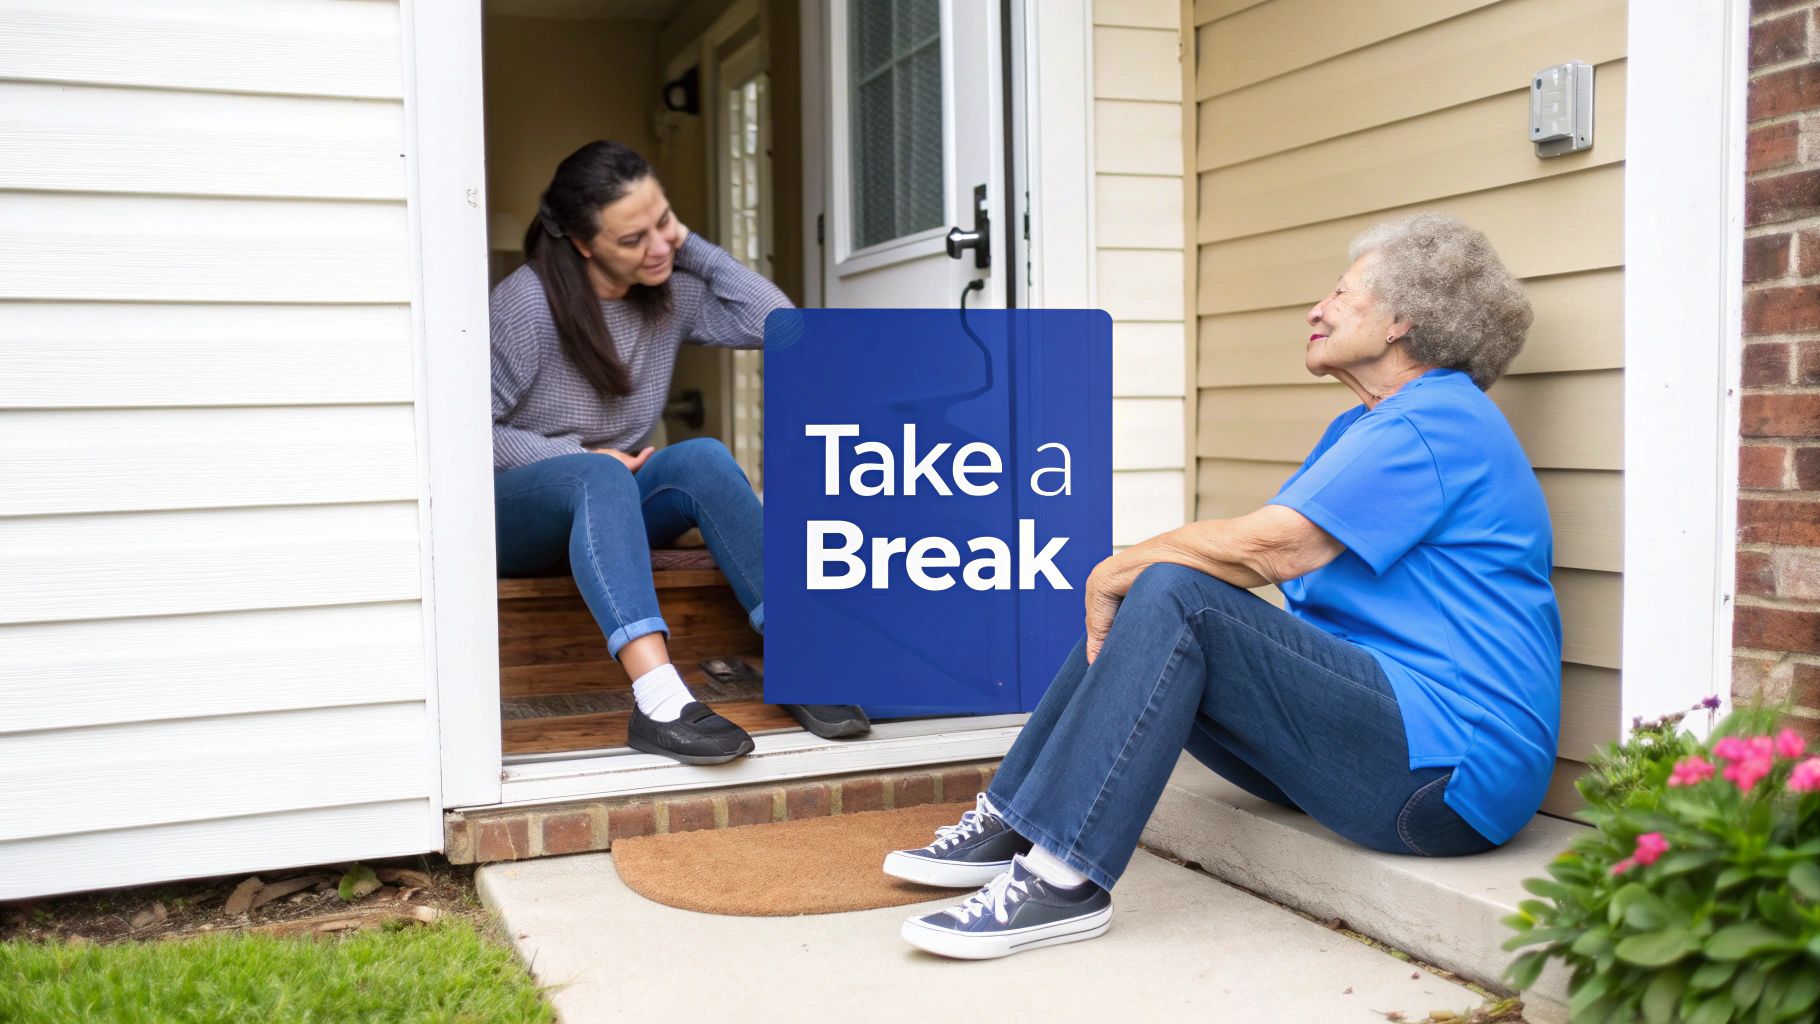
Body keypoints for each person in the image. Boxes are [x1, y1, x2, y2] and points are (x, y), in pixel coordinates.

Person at [884, 212, 1561, 960]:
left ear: (1403, 319)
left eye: (1341, 293)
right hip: (1381, 743)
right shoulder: (1366, 426)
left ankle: (1062, 879)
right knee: (1166, 591)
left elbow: (1274, 549)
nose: (1317, 309)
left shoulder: (1437, 422)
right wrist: (1133, 579)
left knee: (1173, 589)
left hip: (1447, 778)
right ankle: (1016, 815)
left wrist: (1113, 569)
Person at [490, 140, 869, 765]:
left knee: (703, 457)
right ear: (583, 244)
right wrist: (576, 455)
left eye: (663, 221)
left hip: (608, 499)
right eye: (633, 237)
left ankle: (801, 656)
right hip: (520, 512)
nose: (658, 246)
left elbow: (783, 325)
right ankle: (659, 700)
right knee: (595, 473)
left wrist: (686, 243)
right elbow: (468, 432)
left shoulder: (668, 290)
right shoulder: (527, 303)